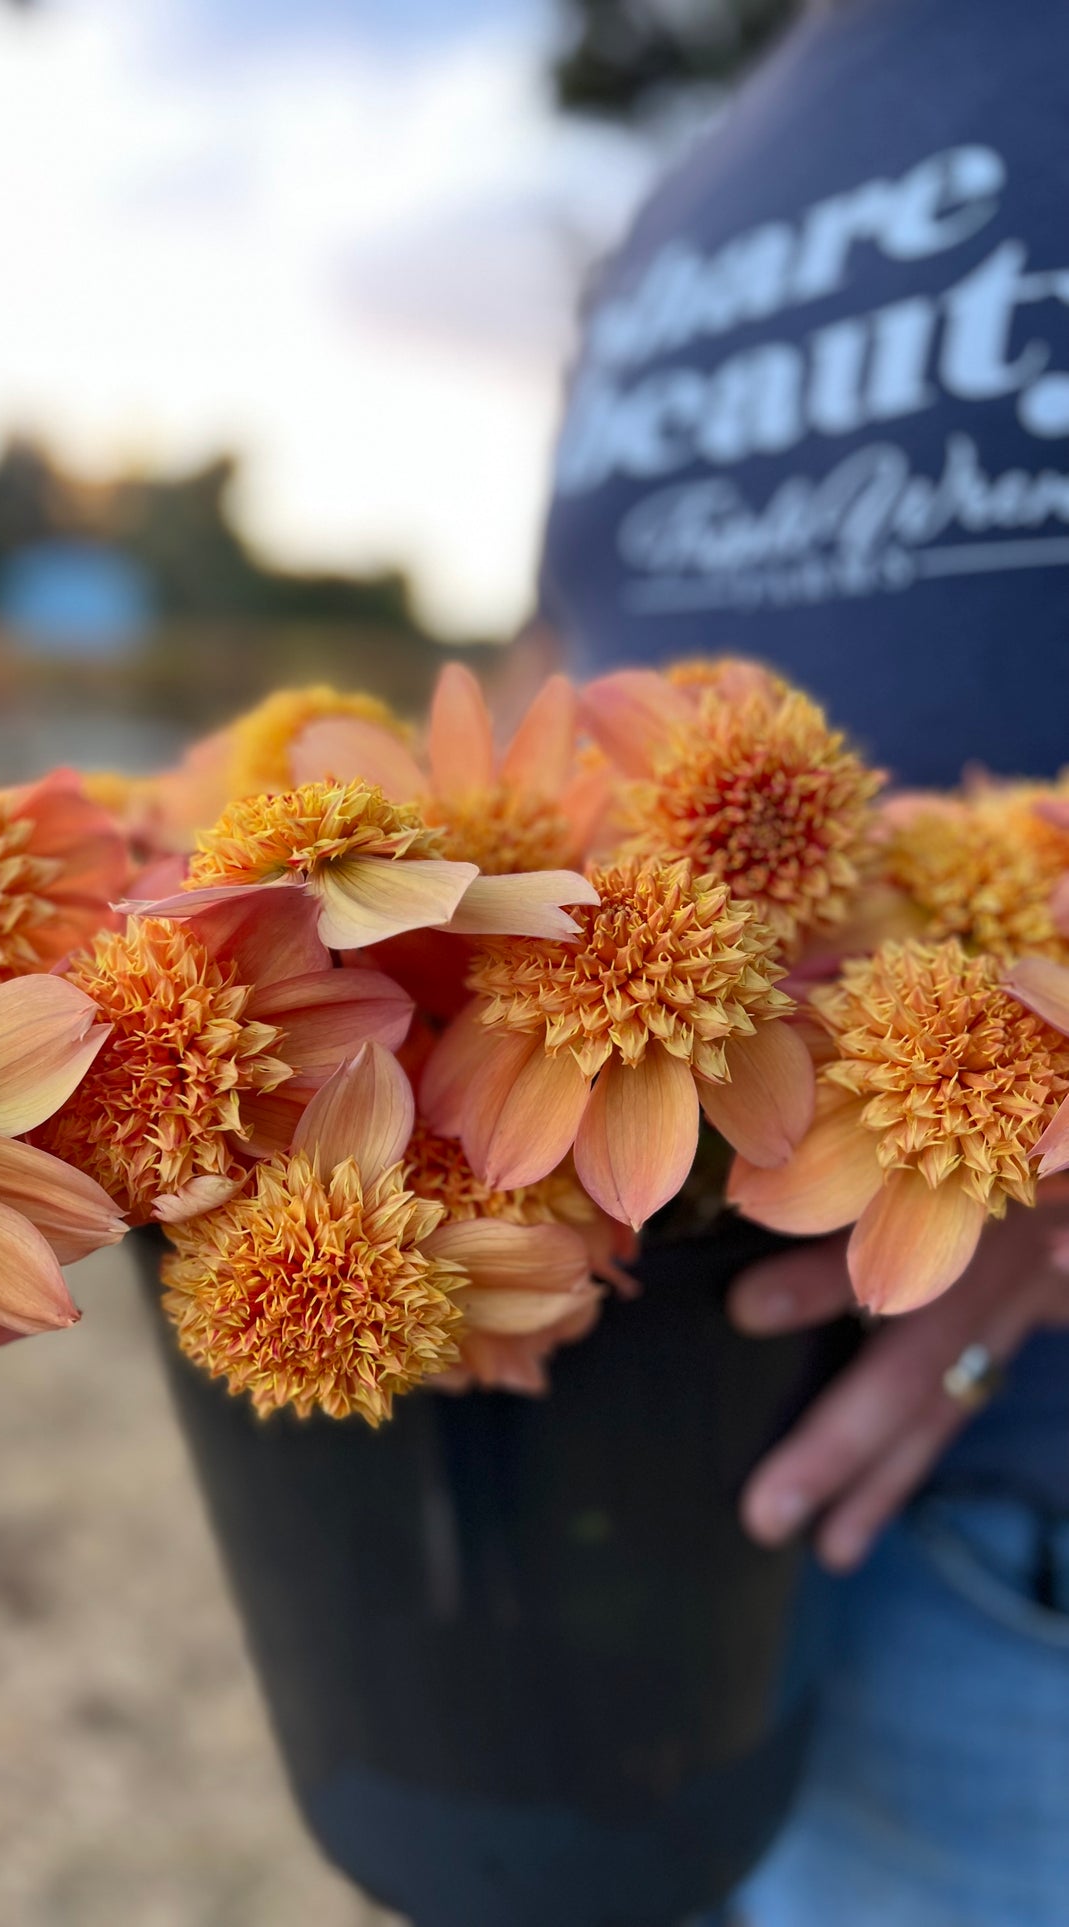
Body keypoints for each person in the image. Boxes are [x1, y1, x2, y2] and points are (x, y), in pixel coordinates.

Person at [538, 0, 1069, 1920]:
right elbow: (568, 678)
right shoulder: (696, 183)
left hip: (1014, 1486)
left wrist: (1044, 1165)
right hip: (639, 1434)